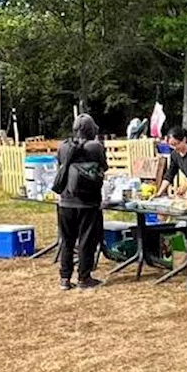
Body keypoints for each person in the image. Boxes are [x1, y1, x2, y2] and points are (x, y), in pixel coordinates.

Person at [55, 113, 109, 291]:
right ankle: (84, 278)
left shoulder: (63, 146)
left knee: (67, 241)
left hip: (65, 201)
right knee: (86, 241)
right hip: (87, 202)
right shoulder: (95, 147)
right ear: (91, 130)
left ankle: (64, 278)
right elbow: (103, 167)